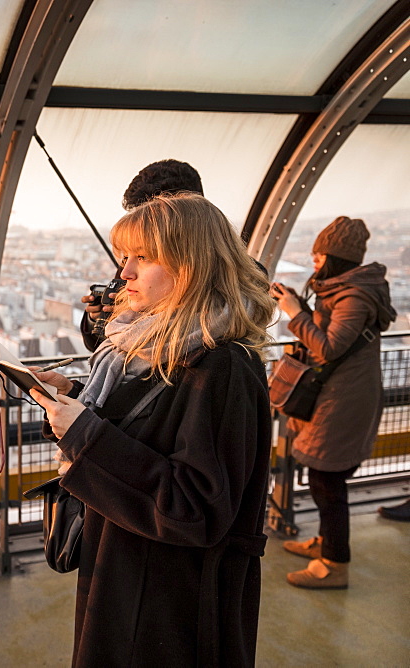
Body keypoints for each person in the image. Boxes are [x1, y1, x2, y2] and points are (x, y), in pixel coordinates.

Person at [31, 193, 275, 666]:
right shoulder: (160, 345)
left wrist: (84, 434)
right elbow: (155, 423)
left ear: (191, 265)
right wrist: (75, 394)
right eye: (126, 256)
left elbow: (196, 508)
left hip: (173, 608)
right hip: (133, 576)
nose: (124, 272)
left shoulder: (224, 366)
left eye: (143, 258)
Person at [270, 216, 396, 589]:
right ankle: (326, 544)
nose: (313, 261)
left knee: (328, 482)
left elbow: (327, 347)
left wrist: (295, 313)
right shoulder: (341, 290)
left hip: (344, 401)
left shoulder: (354, 296)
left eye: (318, 254)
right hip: (338, 396)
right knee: (325, 479)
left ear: (334, 257)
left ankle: (334, 564)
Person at [80, 159, 204, 351]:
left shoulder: (240, 286)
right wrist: (100, 318)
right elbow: (97, 343)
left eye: (151, 216)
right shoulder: (132, 265)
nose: (125, 274)